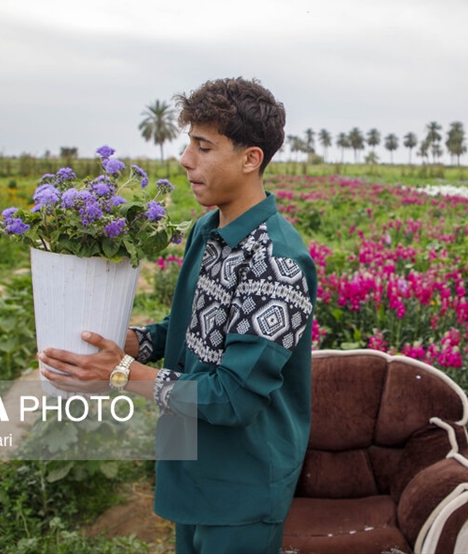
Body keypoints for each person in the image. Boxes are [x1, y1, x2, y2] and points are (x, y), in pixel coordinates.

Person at [38, 77, 317, 554]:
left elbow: (233, 399)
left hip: (241, 481)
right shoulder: (206, 230)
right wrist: (133, 344)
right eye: (189, 144)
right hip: (191, 462)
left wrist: (122, 374)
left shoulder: (278, 263)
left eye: (203, 147)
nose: (186, 160)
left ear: (251, 159)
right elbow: (189, 331)